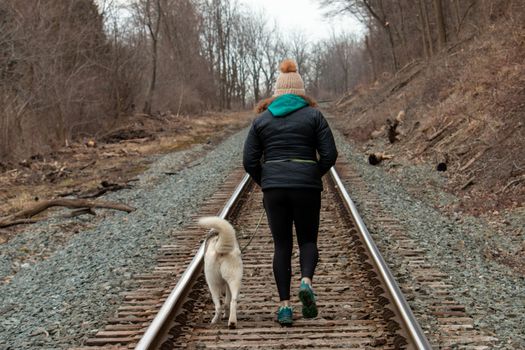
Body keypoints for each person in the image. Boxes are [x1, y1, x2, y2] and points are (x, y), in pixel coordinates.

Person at [243, 59, 338, 326]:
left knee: (282, 245)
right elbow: (330, 154)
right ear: (301, 91)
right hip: (306, 188)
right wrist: (311, 174)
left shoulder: (261, 120)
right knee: (308, 240)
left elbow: (249, 162)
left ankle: (284, 307)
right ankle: (306, 282)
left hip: (275, 190)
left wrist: (268, 181)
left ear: (277, 92)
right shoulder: (314, 116)